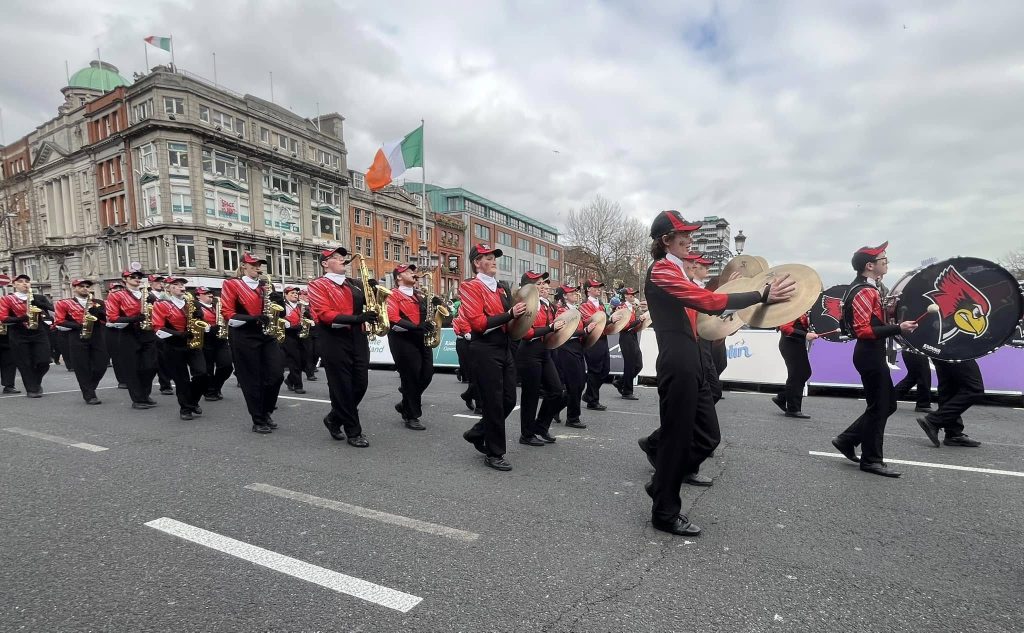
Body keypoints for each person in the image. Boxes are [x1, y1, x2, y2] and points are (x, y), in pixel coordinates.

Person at [641, 210, 795, 536]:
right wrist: (760, 294)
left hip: (691, 359)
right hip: (677, 362)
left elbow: (709, 304)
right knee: (676, 439)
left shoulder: (677, 270)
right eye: (684, 234)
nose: (691, 239)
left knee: (708, 437)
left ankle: (662, 483)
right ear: (666, 239)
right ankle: (665, 512)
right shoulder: (661, 271)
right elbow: (708, 302)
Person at [831, 242, 918, 477]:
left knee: (887, 404)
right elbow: (862, 330)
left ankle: (847, 440)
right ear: (869, 266)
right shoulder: (863, 291)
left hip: (872, 352)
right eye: (883, 260)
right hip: (868, 353)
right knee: (880, 406)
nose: (887, 263)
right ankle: (871, 460)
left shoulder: (871, 288)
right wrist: (898, 328)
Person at [459, 244, 528, 471]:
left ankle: (478, 432)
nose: (494, 260)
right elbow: (478, 324)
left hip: (504, 347)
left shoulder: (501, 288)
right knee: (493, 403)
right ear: (477, 263)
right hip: (484, 348)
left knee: (508, 400)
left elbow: (511, 320)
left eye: (494, 257)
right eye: (488, 257)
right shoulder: (470, 287)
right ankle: (494, 452)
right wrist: (509, 314)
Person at [306, 246, 373, 447]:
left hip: (357, 337)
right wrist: (358, 318)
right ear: (325, 264)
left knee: (360, 383)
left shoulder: (354, 284)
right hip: (332, 338)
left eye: (343, 256)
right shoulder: (317, 285)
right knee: (342, 386)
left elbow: (368, 304)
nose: (343, 259)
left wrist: (374, 292)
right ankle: (354, 431)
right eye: (337, 257)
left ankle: (334, 418)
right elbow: (324, 315)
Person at [220, 253, 285, 433]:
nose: (258, 267)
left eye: (259, 264)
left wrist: (281, 303)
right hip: (244, 335)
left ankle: (266, 410)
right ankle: (259, 418)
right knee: (252, 378)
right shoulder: (232, 284)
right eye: (253, 264)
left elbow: (280, 314)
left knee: (276, 375)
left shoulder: (265, 287)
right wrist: (253, 318)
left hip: (266, 334)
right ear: (243, 266)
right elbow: (228, 314)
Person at [515, 270, 565, 446]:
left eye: (543, 283)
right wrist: (551, 328)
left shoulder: (546, 304)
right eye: (538, 284)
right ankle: (526, 434)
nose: (544, 286)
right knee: (531, 395)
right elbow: (527, 334)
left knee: (556, 390)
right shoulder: (525, 305)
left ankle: (540, 427)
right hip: (529, 352)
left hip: (544, 351)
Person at [385, 264, 436, 431]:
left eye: (414, 271)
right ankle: (411, 415)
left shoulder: (420, 295)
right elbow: (392, 317)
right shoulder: (392, 294)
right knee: (411, 376)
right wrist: (417, 327)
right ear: (399, 277)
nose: (414, 274)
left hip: (420, 337)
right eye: (409, 271)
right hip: (402, 339)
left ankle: (406, 403)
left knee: (427, 373)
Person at [152, 278, 209, 420]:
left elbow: (202, 322)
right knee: (181, 380)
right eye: (175, 285)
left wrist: (199, 317)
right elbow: (158, 328)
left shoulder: (192, 303)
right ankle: (185, 408)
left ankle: (192, 401)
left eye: (182, 284)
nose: (180, 287)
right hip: (173, 347)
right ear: (169, 289)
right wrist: (179, 334)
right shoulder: (162, 304)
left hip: (193, 344)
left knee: (202, 374)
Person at [105, 269, 159, 409]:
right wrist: (134, 318)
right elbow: (113, 317)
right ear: (125, 279)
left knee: (151, 366)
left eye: (139, 277)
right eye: (133, 276)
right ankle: (138, 399)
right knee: (132, 368)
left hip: (147, 333)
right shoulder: (117, 295)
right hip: (128, 333)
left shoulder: (148, 295)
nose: (137, 278)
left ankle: (145, 394)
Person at [54, 279, 108, 404]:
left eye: (87, 286)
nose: (85, 288)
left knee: (101, 364)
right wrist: (78, 325)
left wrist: (100, 313)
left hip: (96, 335)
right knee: (81, 366)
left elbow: (107, 318)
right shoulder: (64, 303)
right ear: (74, 288)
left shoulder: (98, 302)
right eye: (81, 286)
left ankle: (90, 386)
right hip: (77, 335)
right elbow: (60, 321)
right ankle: (89, 394)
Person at [0, 275, 55, 398]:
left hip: (39, 331)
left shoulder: (38, 297)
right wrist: (21, 318)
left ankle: (35, 380)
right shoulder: (7, 299)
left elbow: (53, 310)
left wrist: (41, 304)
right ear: (14, 285)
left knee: (44, 361)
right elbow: (3, 318)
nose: (25, 284)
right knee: (25, 362)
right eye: (20, 282)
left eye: (27, 281)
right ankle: (32, 389)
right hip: (19, 333)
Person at [916, 359, 983, 448]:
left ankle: (953, 432)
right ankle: (934, 420)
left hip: (940, 350)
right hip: (957, 350)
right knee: (974, 389)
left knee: (949, 387)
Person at [553, 284, 589, 430]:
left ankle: (554, 408)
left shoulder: (575, 309)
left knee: (580, 383)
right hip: (567, 348)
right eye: (571, 292)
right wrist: (584, 331)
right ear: (564, 296)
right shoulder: (561, 311)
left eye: (575, 291)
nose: (575, 293)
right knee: (575, 384)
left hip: (577, 347)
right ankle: (573, 418)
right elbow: (564, 332)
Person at [773, 313, 816, 418]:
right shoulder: (793, 310)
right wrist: (805, 335)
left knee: (803, 373)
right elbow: (785, 328)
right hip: (790, 344)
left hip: (796, 344)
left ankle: (783, 397)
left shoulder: (801, 310)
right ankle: (793, 409)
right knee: (797, 374)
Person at [195, 287, 233, 401]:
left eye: (210, 293)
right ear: (198, 296)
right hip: (206, 340)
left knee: (227, 366)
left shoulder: (216, 306)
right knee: (208, 368)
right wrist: (211, 328)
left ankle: (216, 387)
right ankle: (210, 391)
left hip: (221, 340)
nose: (210, 295)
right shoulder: (196, 307)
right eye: (206, 293)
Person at [580, 279, 610, 411]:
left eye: (599, 287)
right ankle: (593, 400)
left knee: (605, 370)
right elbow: (590, 321)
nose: (599, 288)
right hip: (593, 340)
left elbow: (604, 321)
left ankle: (589, 394)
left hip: (603, 339)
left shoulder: (602, 305)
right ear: (588, 290)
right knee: (595, 370)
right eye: (595, 287)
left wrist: (612, 320)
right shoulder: (584, 305)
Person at [612, 288, 644, 400]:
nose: (633, 296)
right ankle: (627, 391)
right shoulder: (621, 308)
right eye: (631, 295)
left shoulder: (632, 308)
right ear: (626, 296)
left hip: (633, 336)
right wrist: (638, 320)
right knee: (630, 364)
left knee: (639, 364)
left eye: (634, 295)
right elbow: (624, 326)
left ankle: (621, 382)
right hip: (626, 337)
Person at [452, 300, 481, 415]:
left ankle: (468, 395)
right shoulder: (463, 309)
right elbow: (462, 324)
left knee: (480, 373)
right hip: (466, 342)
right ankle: (479, 405)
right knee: (474, 374)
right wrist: (467, 332)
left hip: (478, 340)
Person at [148, 275, 175, 395]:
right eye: (157, 281)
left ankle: (167, 382)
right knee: (157, 358)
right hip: (153, 329)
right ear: (150, 283)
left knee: (167, 357)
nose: (160, 283)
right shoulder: (147, 296)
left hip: (168, 328)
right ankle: (164, 384)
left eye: (161, 281)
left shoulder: (167, 295)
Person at [281, 286, 309, 395]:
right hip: (288, 335)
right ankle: (298, 385)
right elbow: (280, 317)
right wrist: (286, 323)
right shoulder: (283, 305)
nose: (295, 295)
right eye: (292, 293)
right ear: (286, 295)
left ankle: (289, 380)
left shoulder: (300, 306)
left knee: (303, 360)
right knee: (294, 361)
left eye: (296, 293)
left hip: (299, 334)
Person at [104, 281, 129, 389]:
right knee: (117, 356)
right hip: (112, 330)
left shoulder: (126, 302)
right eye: (115, 288)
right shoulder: (104, 303)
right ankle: (122, 380)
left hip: (126, 329)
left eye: (120, 288)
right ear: (110, 291)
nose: (118, 290)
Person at [299, 290, 320, 382]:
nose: (308, 296)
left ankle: (290, 380)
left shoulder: (312, 304)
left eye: (308, 294)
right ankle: (309, 373)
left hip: (316, 330)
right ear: (301, 296)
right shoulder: (299, 305)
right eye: (305, 294)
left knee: (317, 352)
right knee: (309, 352)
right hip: (307, 331)